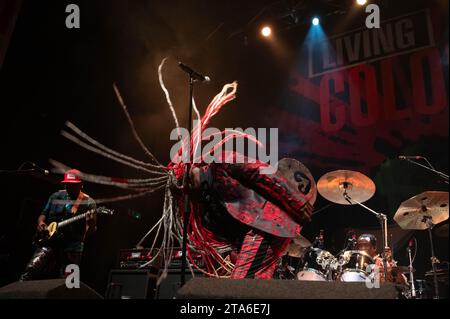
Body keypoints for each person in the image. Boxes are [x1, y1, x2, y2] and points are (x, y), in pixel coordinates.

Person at [187, 151, 314, 279]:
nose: (188, 188)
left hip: (268, 224)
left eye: (189, 182)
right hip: (260, 228)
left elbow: (262, 173)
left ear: (192, 169)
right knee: (253, 283)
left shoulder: (222, 162)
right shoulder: (204, 199)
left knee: (243, 283)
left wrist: (297, 201)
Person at [20, 169, 96, 281]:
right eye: (67, 185)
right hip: (50, 240)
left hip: (73, 245)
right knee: (30, 270)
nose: (69, 187)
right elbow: (43, 215)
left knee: (69, 281)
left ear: (81, 185)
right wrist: (41, 223)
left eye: (73, 185)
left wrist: (91, 222)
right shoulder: (55, 196)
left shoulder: (89, 203)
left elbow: (90, 231)